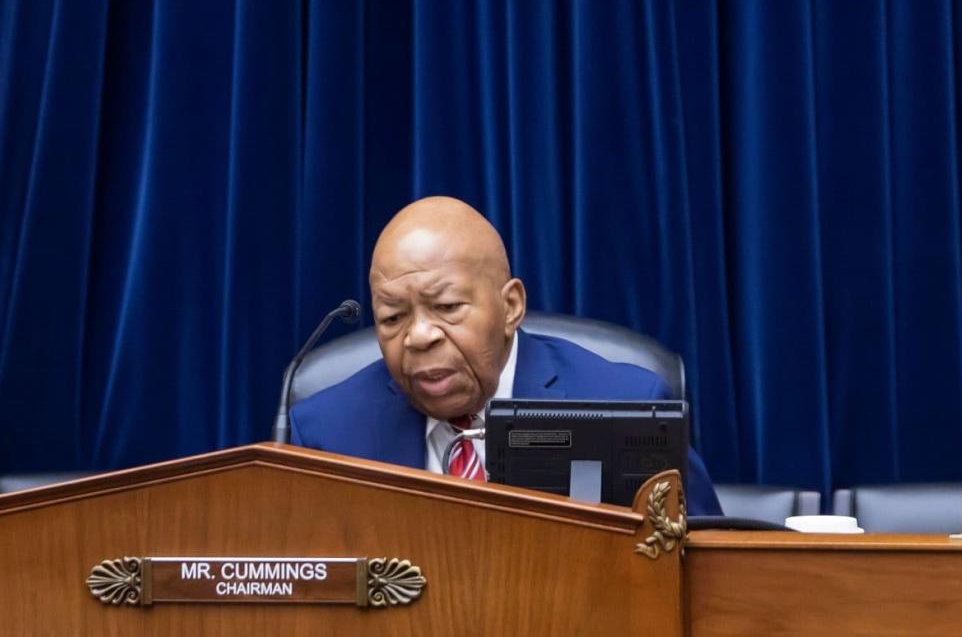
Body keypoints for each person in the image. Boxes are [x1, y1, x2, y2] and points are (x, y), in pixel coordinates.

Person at [290, 196, 722, 516]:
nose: (418, 336)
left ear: (511, 306)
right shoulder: (328, 434)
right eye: (392, 317)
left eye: (446, 307)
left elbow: (705, 574)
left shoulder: (629, 406)